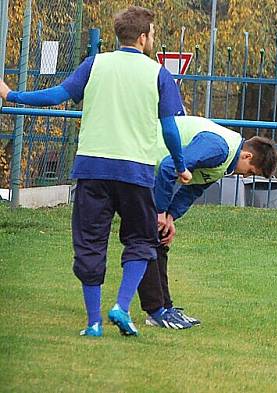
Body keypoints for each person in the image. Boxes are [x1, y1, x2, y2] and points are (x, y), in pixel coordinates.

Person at [0, 6, 191, 337]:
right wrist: (181, 166)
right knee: (141, 240)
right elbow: (170, 129)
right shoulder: (157, 73)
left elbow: (58, 95)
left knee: (89, 242)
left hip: (92, 167)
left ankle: (93, 323)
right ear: (144, 37)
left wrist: (10, 94)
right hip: (136, 172)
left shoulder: (95, 64)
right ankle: (121, 305)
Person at [139, 116, 277, 329]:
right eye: (250, 171)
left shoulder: (226, 161)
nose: (245, 176)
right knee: (147, 240)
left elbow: (192, 190)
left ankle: (165, 308)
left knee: (160, 239)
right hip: (138, 159)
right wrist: (159, 211)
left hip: (149, 171)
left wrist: (170, 217)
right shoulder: (219, 148)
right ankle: (156, 311)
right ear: (247, 155)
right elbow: (169, 166)